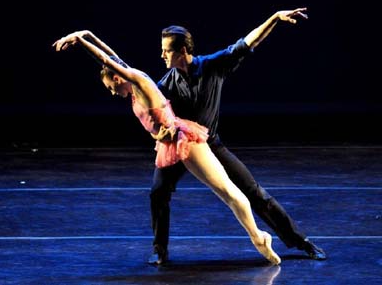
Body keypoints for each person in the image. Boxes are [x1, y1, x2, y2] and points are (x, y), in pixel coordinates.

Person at [52, 30, 281, 265]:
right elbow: (113, 57)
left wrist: (79, 42)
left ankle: (259, 237)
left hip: (186, 141)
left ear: (119, 78)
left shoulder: (139, 82)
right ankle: (165, 248)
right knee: (182, 192)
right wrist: (87, 34)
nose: (112, 92)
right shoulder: (133, 85)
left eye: (111, 87)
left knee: (227, 191)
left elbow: (107, 60)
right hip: (170, 143)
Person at [149, 7, 327, 265]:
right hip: (180, 149)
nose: (162, 54)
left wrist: (275, 18)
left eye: (167, 50)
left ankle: (301, 241)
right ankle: (159, 250)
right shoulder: (165, 84)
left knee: (254, 192)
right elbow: (156, 119)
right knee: (158, 192)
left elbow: (246, 43)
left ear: (183, 51)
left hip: (211, 145)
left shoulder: (211, 66)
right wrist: (160, 134)